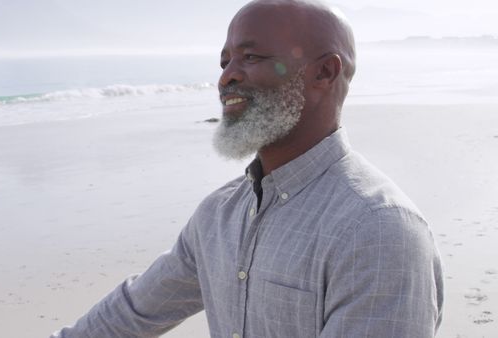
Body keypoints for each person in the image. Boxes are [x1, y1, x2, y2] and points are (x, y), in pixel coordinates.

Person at [50, 0, 444, 337]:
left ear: (324, 73)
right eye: (225, 61)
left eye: (252, 57)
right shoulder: (218, 215)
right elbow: (132, 313)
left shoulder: (378, 230)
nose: (226, 77)